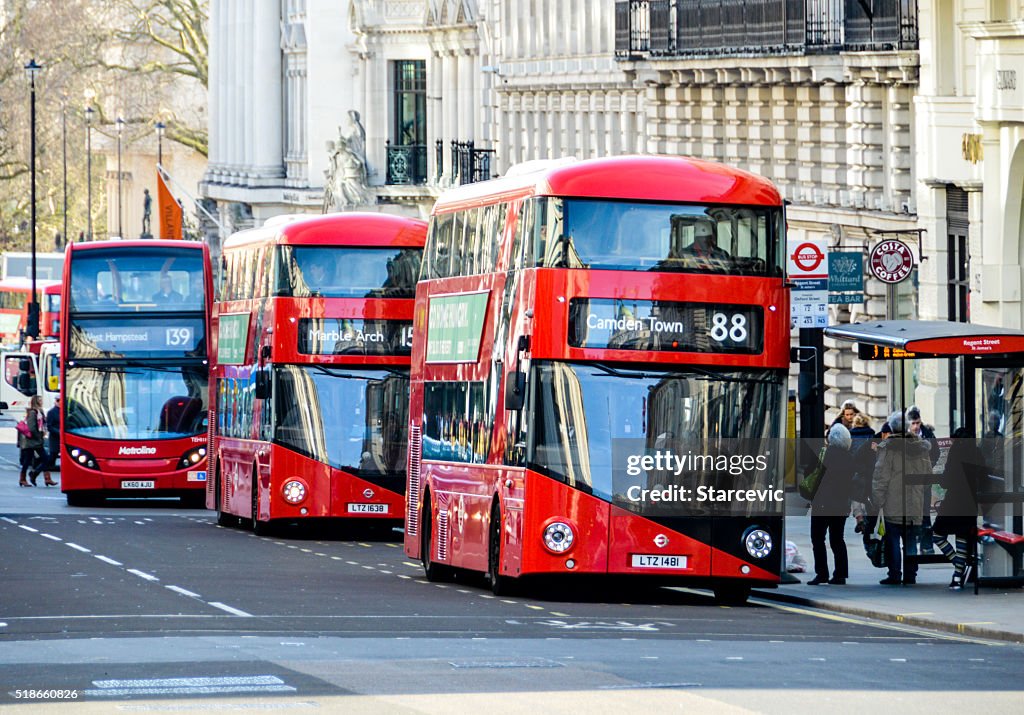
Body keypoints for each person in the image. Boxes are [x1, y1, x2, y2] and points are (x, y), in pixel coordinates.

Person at [869, 410, 931, 585]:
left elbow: (881, 477)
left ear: (892, 428)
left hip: (893, 502)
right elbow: (928, 476)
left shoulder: (888, 448)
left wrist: (878, 500)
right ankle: (911, 574)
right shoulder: (921, 448)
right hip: (915, 503)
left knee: (893, 540)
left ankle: (895, 574)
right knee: (911, 540)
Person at [932, 427, 984, 589]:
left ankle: (957, 564)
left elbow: (946, 479)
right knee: (962, 537)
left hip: (953, 500)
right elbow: (983, 476)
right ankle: (957, 576)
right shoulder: (976, 451)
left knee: (937, 534)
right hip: (970, 502)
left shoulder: (955, 451)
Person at [807, 423, 855, 585]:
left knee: (818, 539)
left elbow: (810, 473)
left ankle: (822, 573)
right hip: (841, 505)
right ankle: (840, 574)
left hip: (822, 503)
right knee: (837, 539)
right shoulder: (849, 458)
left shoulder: (824, 454)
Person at [848, 413, 877, 534]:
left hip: (856, 471)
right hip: (870, 471)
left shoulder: (850, 435)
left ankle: (859, 518)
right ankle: (868, 518)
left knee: (856, 496)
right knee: (868, 496)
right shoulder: (872, 434)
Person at [19, 396, 54, 487]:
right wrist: (39, 435)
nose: (42, 402)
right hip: (32, 441)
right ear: (36, 402)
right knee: (28, 460)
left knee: (45, 459)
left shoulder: (39, 412)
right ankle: (24, 478)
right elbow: (31, 428)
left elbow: (42, 425)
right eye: (40, 400)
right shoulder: (32, 412)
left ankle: (44, 477)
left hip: (36, 441)